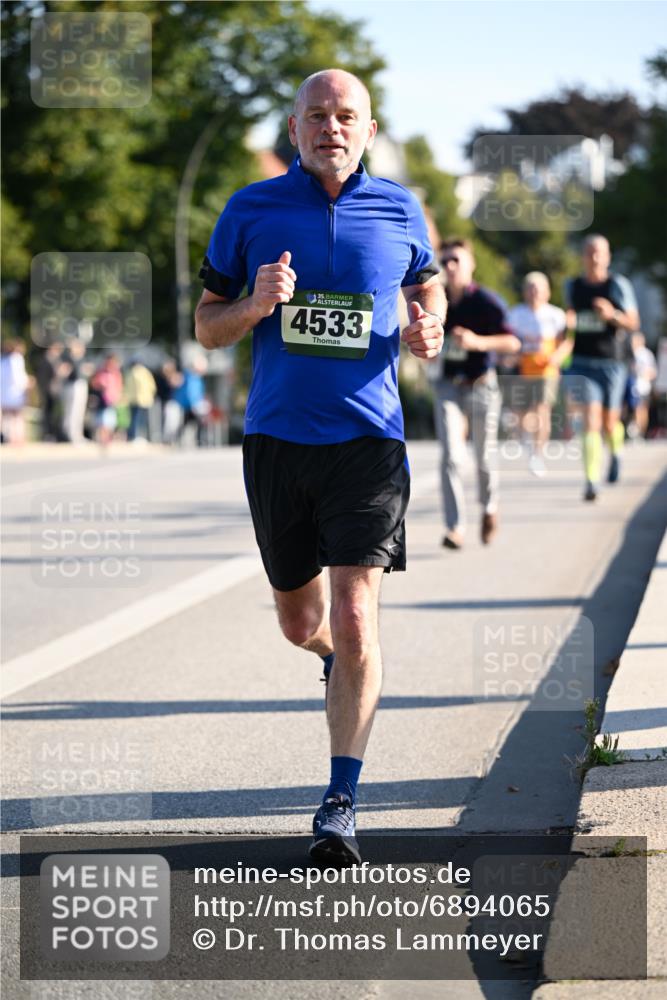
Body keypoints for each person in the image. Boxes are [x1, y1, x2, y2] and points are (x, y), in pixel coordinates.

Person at [195, 68, 445, 864]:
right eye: (315, 115)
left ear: (368, 130)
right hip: (277, 440)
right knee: (303, 625)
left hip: (369, 443)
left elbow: (427, 287)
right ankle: (335, 662)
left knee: (357, 613)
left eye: (345, 116)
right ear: (294, 129)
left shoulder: (400, 208)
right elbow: (206, 326)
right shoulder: (249, 209)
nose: (330, 127)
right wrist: (254, 304)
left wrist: (428, 327)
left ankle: (340, 802)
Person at [432, 238, 519, 549]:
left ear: (471, 264)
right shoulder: (436, 298)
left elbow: (513, 343)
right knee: (451, 456)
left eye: (456, 260)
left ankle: (490, 507)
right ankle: (455, 527)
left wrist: (477, 342)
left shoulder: (486, 300)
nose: (450, 266)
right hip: (448, 385)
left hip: (481, 384)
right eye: (445, 261)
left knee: (483, 455)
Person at [554, 234, 640, 501]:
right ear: (583, 257)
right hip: (582, 362)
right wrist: (566, 328)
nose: (594, 258)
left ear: (608, 257)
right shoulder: (573, 286)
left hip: (611, 363)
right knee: (590, 420)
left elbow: (633, 322)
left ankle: (616, 452)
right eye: (589, 252)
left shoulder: (617, 286)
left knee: (609, 422)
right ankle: (591, 480)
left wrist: (612, 315)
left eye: (599, 252)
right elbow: (569, 320)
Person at [508, 272, 567, 477]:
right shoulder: (516, 314)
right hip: (522, 370)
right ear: (525, 292)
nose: (535, 293)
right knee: (520, 413)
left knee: (542, 410)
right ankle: (526, 438)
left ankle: (538, 455)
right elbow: (510, 340)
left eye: (539, 289)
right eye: (531, 288)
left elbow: (565, 342)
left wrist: (558, 356)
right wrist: (512, 355)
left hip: (547, 371)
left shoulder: (556, 315)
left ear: (547, 292)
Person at [60, 337, 90, 445]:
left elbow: (87, 371)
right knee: (71, 411)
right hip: (72, 385)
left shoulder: (83, 359)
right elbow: (63, 372)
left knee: (80, 411)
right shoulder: (68, 358)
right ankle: (71, 434)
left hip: (81, 384)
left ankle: (78, 434)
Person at [627, 333, 657, 439]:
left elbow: (653, 371)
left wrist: (645, 376)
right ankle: (637, 431)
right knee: (636, 409)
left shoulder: (645, 354)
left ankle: (641, 432)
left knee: (642, 409)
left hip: (643, 387)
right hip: (634, 386)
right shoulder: (631, 353)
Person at [0, 340, 30, 445]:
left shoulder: (2, 360)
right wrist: (27, 384)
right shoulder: (17, 359)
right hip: (16, 392)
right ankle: (16, 437)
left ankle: (7, 437)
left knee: (7, 416)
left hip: (4, 393)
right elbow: (18, 378)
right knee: (17, 416)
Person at [90, 353, 123, 446]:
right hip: (102, 400)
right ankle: (103, 439)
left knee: (110, 421)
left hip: (111, 400)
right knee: (102, 420)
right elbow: (94, 384)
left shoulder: (116, 373)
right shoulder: (101, 372)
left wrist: (117, 396)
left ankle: (107, 438)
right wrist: (101, 386)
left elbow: (119, 386)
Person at [124, 357, 157, 442]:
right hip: (144, 400)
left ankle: (133, 436)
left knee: (134, 419)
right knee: (142, 420)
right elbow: (152, 386)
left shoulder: (130, 373)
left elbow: (127, 387)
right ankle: (142, 436)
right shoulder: (145, 372)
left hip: (133, 400)